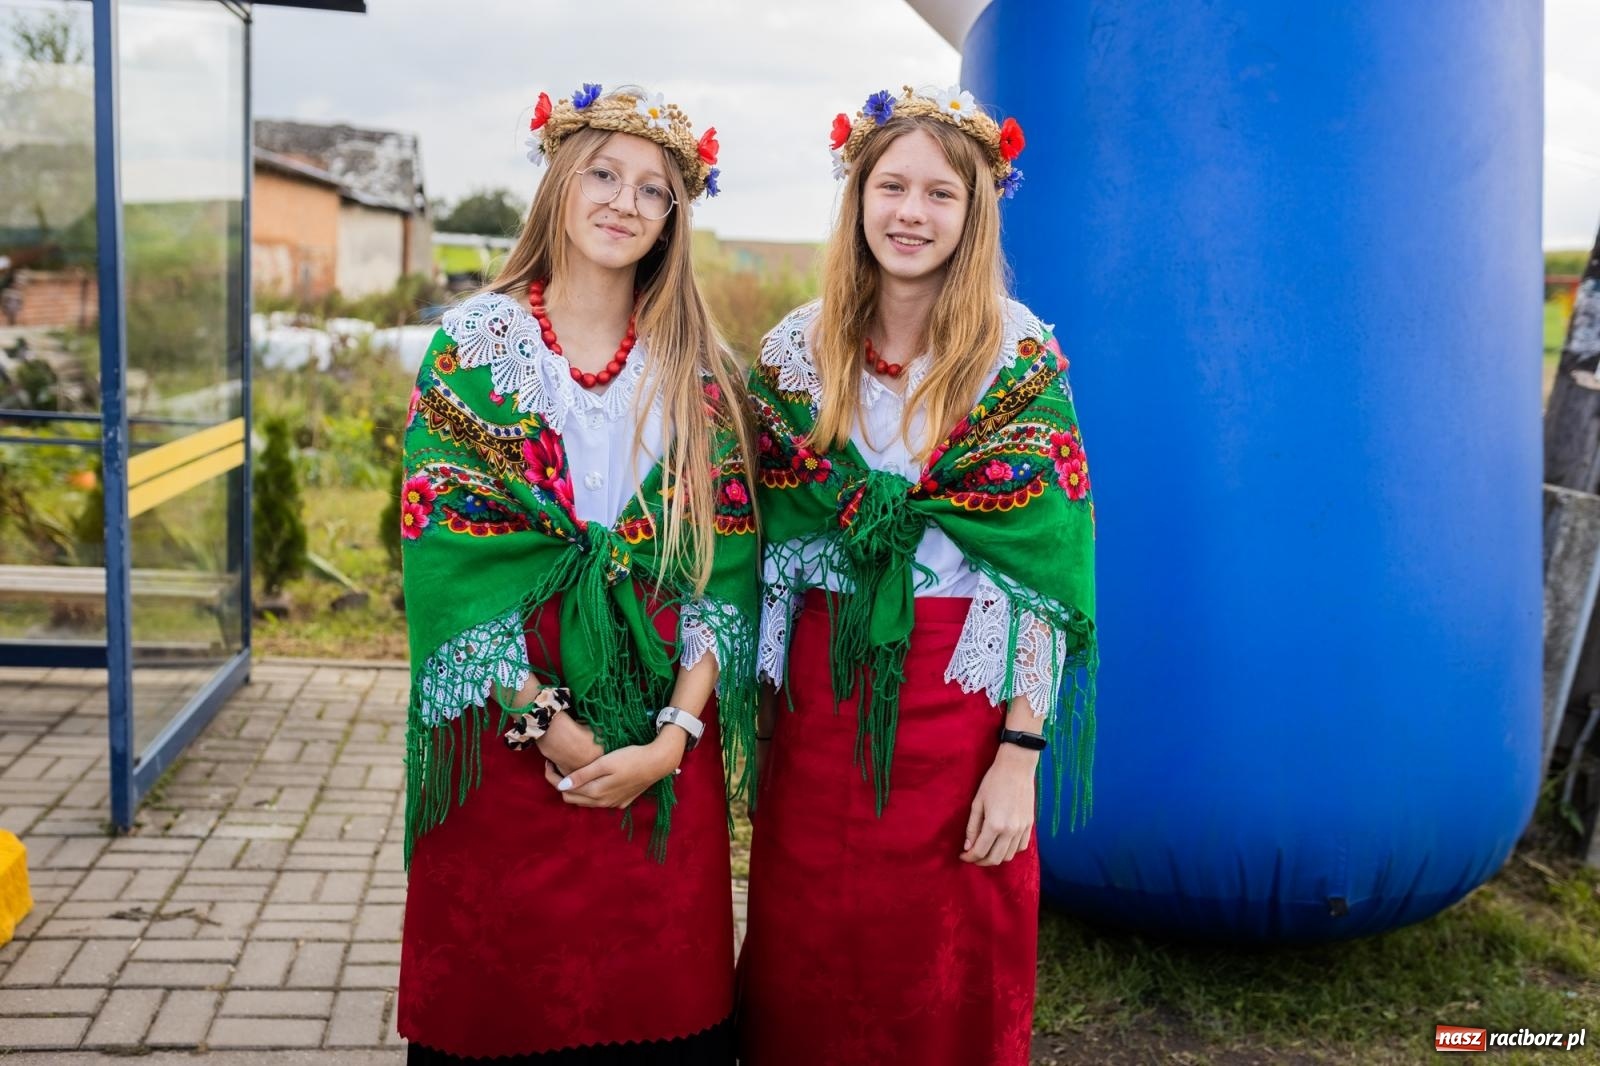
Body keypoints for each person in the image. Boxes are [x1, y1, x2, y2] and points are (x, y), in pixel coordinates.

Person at [737, 85, 1099, 1066]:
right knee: (805, 947)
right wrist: (762, 710)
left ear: (974, 213)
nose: (910, 212)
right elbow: (766, 553)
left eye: (940, 194)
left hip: (960, 701)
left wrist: (1019, 756)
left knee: (944, 960)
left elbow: (1041, 571)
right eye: (890, 186)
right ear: (856, 198)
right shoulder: (794, 354)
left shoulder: (1016, 358)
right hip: (818, 699)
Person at [396, 84, 756, 1065]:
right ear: (558, 180)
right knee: (502, 1002)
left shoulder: (697, 369)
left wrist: (672, 740)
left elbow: (721, 574)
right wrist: (549, 729)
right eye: (602, 173)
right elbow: (451, 574)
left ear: (673, 219)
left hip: (658, 721)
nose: (623, 202)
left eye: (653, 189)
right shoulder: (476, 348)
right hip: (509, 711)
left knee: (656, 1005)